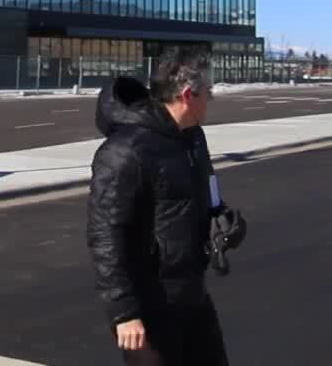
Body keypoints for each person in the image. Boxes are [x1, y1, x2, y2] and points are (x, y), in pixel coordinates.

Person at [86, 47, 245, 365]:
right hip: (151, 308)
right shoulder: (125, 152)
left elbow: (203, 199)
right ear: (188, 94)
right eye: (208, 92)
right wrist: (125, 313)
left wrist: (221, 221)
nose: (211, 98)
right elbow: (105, 237)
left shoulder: (192, 139)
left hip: (192, 296)